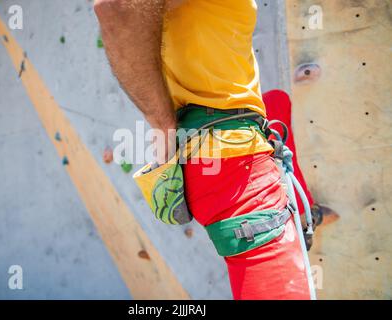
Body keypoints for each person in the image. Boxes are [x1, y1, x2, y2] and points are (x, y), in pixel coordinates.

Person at [95, 0, 311, 299]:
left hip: (219, 158)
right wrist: (162, 124)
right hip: (236, 161)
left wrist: (164, 128)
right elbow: (116, 8)